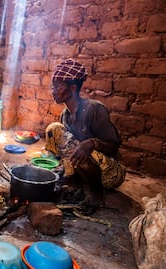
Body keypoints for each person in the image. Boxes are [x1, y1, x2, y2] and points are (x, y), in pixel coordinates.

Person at [44, 59, 126, 213]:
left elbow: (113, 145)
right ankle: (76, 181)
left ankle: (95, 193)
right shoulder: (65, 115)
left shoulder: (94, 109)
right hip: (86, 167)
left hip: (110, 172)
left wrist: (92, 143)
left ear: (73, 88)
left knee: (80, 148)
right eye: (53, 87)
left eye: (58, 87)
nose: (53, 91)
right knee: (54, 129)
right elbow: (66, 149)